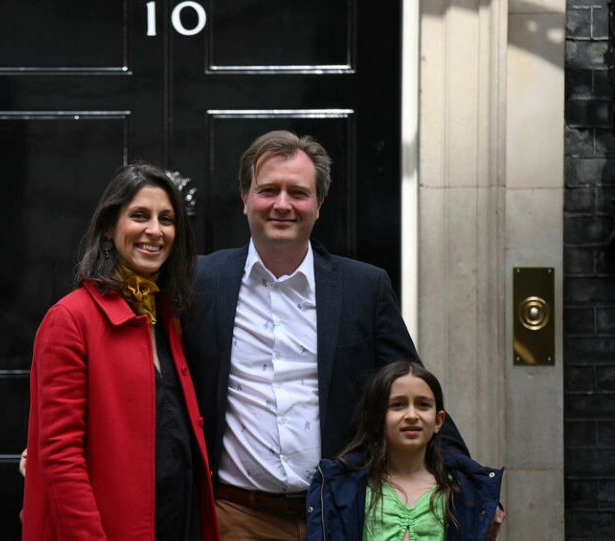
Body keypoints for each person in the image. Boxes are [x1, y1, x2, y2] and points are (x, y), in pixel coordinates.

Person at [181, 130, 503, 540]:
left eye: (298, 192)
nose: (282, 204)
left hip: (340, 516)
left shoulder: (362, 289)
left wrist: (472, 485)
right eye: (268, 190)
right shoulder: (200, 282)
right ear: (245, 198)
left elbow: (412, 390)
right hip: (235, 517)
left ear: (319, 205)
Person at [21, 163, 220, 541]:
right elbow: (61, 457)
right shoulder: (69, 319)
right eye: (139, 216)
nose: (155, 231)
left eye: (167, 219)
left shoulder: (167, 317)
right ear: (110, 229)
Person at [306, 361, 504, 541]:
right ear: (375, 420)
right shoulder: (341, 487)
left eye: (423, 405)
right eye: (398, 405)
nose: (411, 415)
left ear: (438, 421)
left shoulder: (464, 490)